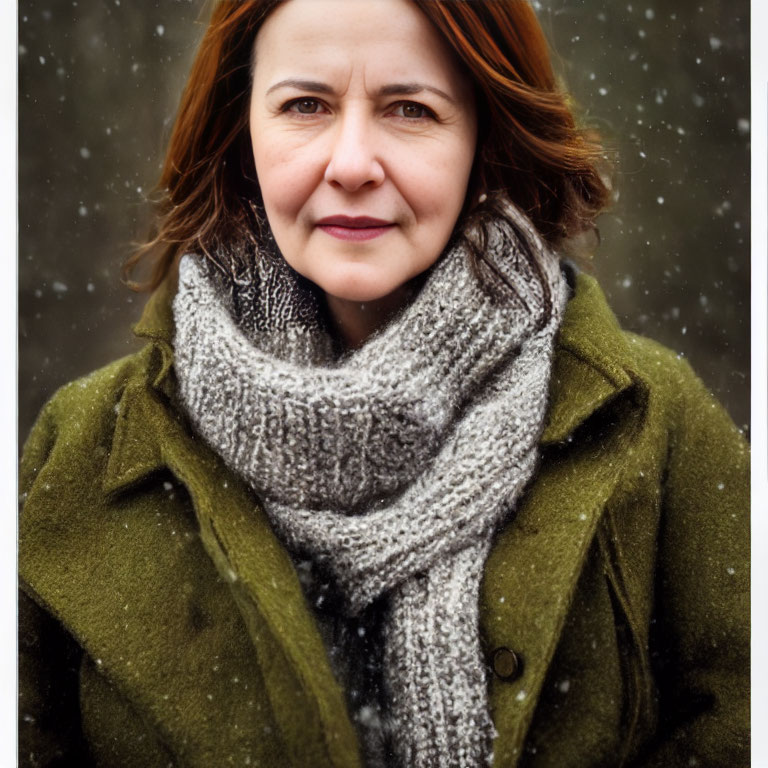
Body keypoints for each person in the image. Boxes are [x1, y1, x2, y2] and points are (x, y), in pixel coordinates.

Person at [18, 0, 749, 766]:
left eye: (410, 109)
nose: (353, 163)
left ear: (483, 135)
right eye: (305, 105)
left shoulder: (656, 427)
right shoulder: (84, 448)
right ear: (242, 136)